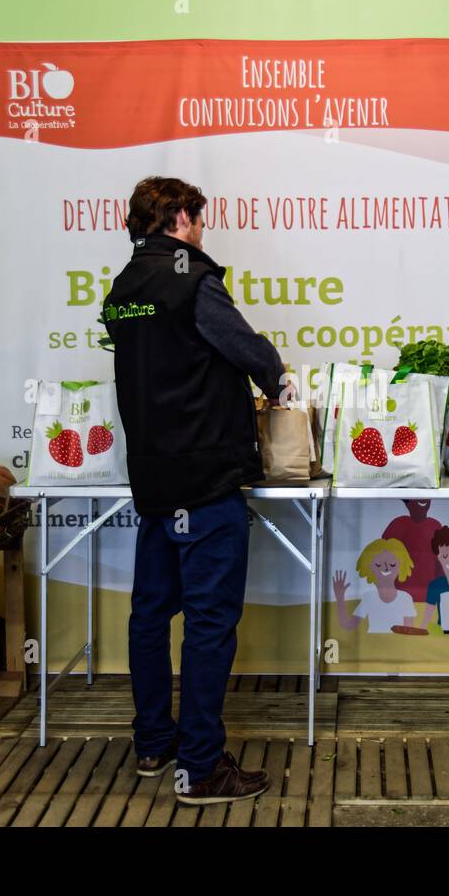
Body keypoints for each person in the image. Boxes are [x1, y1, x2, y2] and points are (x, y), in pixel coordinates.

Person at [102, 175, 284, 806]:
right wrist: (277, 376)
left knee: (151, 615)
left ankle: (154, 742)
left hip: (153, 480)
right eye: (198, 219)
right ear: (179, 217)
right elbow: (242, 346)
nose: (203, 230)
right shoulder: (192, 280)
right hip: (205, 483)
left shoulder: (123, 290)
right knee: (209, 622)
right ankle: (201, 768)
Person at [332, 539, 419, 634]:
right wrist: (340, 597)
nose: (386, 568)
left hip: (396, 645)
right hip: (372, 645)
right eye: (378, 564)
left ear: (401, 566)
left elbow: (408, 632)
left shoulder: (405, 598)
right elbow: (347, 625)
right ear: (369, 567)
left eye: (392, 564)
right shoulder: (369, 597)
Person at [382, 500, 441, 603]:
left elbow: (440, 566)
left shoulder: (435, 526)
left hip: (429, 598)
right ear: (407, 503)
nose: (423, 500)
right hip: (401, 598)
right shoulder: (397, 525)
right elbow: (383, 562)